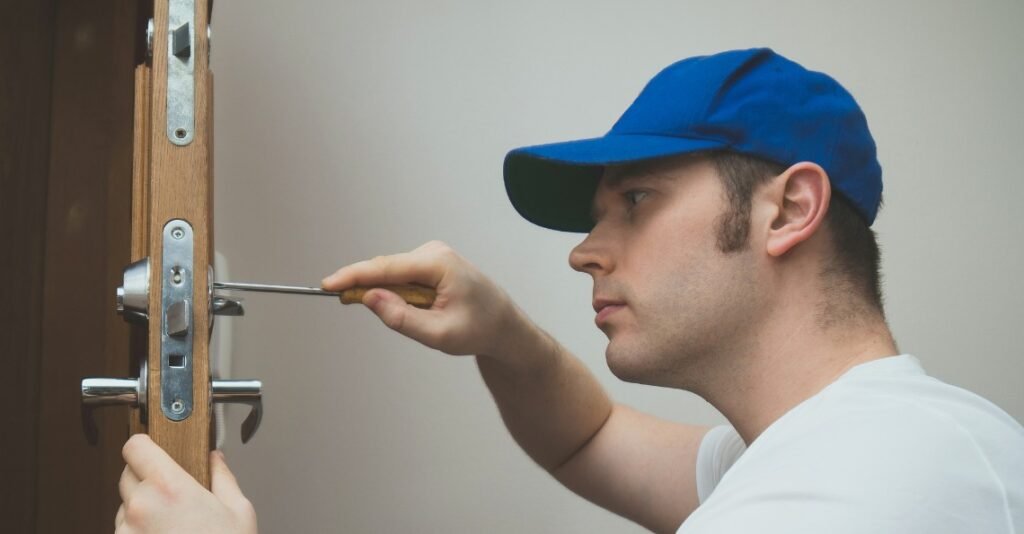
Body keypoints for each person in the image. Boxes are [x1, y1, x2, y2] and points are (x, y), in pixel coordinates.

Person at [115, 48, 1024, 533]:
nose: (585, 254)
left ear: (788, 210)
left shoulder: (858, 491)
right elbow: (589, 439)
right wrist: (502, 334)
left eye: (636, 201)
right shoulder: (839, 445)